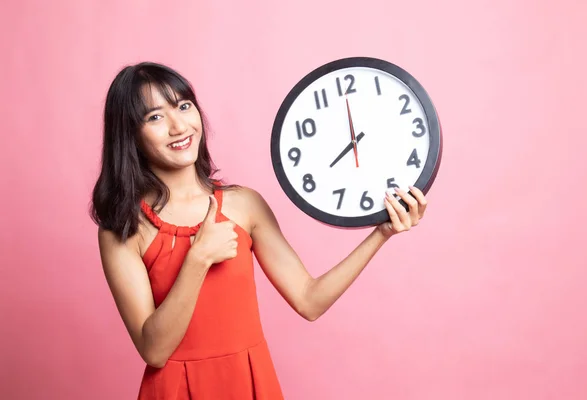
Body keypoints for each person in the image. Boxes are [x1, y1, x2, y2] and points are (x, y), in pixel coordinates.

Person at [90, 61, 429, 399]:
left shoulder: (245, 204)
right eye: (155, 117)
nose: (179, 126)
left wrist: (381, 233)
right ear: (129, 133)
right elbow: (154, 350)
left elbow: (309, 301)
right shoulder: (123, 228)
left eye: (183, 106)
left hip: (249, 383)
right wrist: (199, 258)